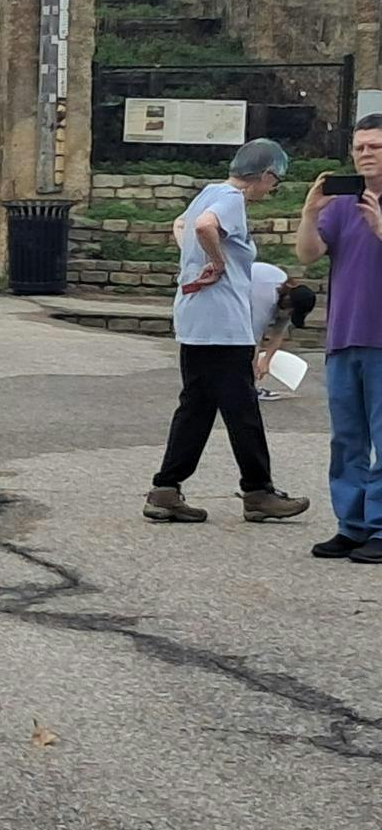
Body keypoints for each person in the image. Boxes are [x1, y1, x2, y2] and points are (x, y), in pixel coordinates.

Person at [144, 141, 309, 525]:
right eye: (275, 182)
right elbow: (203, 228)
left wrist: (200, 259)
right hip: (223, 325)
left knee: (197, 408)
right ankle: (258, 491)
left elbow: (183, 225)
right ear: (266, 175)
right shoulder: (232, 199)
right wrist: (217, 263)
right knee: (242, 409)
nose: (271, 189)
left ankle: (166, 489)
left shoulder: (208, 192)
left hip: (196, 319)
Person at [297, 115, 382, 560]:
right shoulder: (343, 203)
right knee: (346, 438)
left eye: (375, 147)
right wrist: (311, 213)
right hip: (344, 335)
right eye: (359, 147)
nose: (365, 154)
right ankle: (352, 524)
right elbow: (309, 255)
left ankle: (381, 528)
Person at [247, 261, 315, 400]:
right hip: (239, 288)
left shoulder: (287, 300)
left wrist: (266, 361)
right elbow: (253, 339)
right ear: (288, 300)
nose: (289, 315)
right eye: (290, 312)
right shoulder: (266, 299)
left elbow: (278, 334)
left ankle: (247, 385)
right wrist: (253, 370)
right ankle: (247, 389)